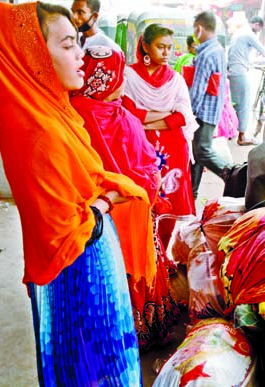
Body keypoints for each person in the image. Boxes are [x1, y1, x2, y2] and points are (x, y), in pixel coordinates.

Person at [0, 2, 143, 385]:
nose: (81, 56)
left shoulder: (50, 114)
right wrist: (106, 200)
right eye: (68, 45)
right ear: (35, 56)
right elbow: (65, 233)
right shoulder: (42, 134)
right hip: (79, 278)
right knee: (93, 369)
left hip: (72, 272)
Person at [70, 46, 182, 349]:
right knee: (136, 265)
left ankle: (104, 333)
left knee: (100, 275)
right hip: (129, 211)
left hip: (90, 215)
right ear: (111, 79)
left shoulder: (69, 114)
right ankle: (142, 328)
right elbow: (148, 173)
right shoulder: (123, 119)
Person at [122, 24, 198, 250]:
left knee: (170, 202)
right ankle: (142, 253)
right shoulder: (129, 76)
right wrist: (166, 115)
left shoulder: (175, 79)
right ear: (145, 46)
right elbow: (128, 114)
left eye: (169, 48)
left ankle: (162, 253)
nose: (166, 53)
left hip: (173, 147)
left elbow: (184, 116)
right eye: (160, 47)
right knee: (142, 199)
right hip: (139, 146)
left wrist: (145, 121)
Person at [189, 11, 230, 199]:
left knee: (202, 152)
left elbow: (198, 89)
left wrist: (188, 113)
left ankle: (233, 174)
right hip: (212, 110)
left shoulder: (207, 53)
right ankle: (192, 193)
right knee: (196, 154)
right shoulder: (218, 49)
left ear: (199, 28)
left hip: (203, 111)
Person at [227, 15, 265, 146]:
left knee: (235, 103)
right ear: (257, 25)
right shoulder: (248, 34)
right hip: (239, 72)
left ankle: (231, 131)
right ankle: (242, 136)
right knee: (244, 104)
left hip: (233, 71)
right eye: (259, 29)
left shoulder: (239, 33)